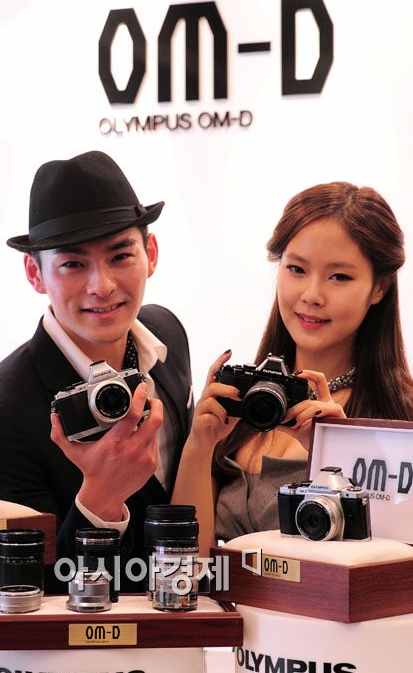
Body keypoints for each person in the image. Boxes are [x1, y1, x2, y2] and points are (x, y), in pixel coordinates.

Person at [0, 151, 193, 590]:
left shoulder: (167, 333)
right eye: (73, 264)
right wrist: (99, 501)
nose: (103, 286)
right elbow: (26, 589)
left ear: (151, 253)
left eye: (120, 256)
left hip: (185, 617)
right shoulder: (4, 409)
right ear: (35, 274)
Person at [172, 181, 413, 555]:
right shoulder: (245, 402)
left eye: (339, 276)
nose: (311, 295)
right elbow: (186, 565)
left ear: (379, 288)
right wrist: (199, 447)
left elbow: (384, 571)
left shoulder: (403, 419)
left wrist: (338, 450)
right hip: (224, 595)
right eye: (297, 269)